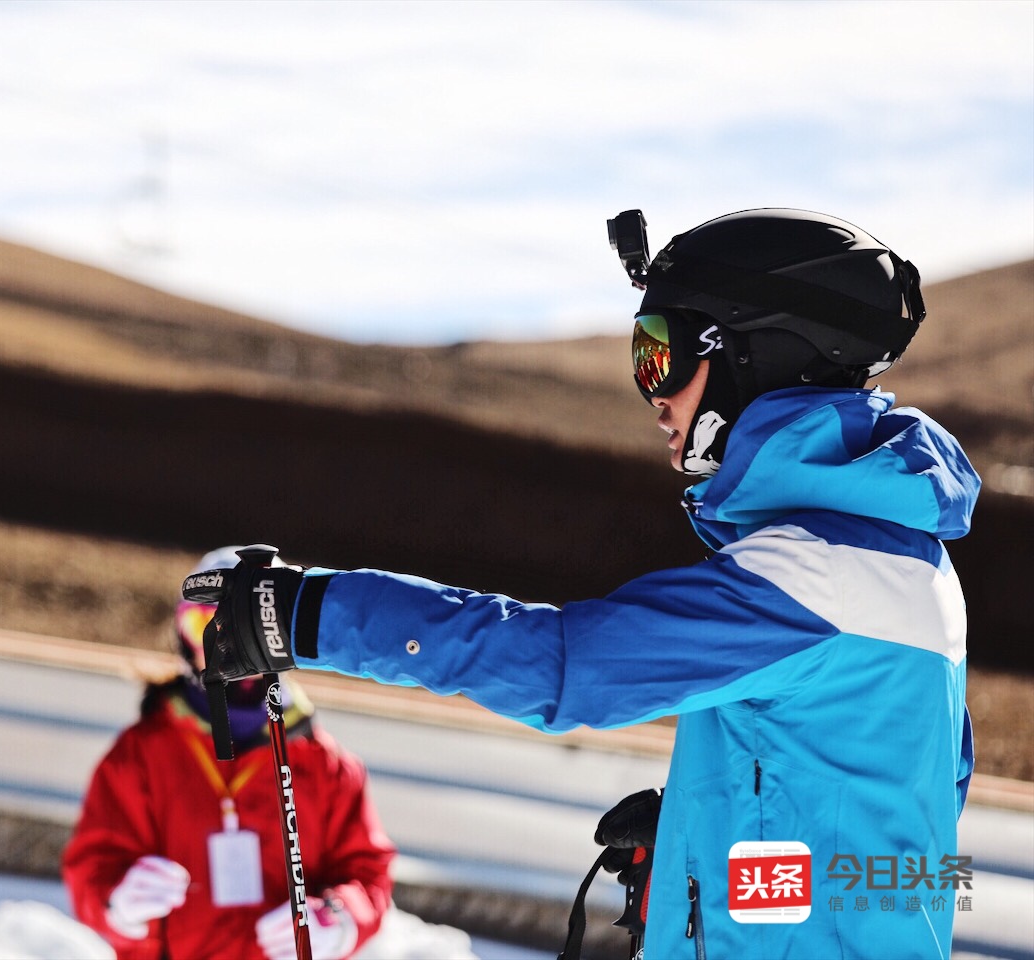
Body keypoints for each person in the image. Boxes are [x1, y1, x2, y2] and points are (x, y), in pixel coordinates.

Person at [184, 210, 980, 959]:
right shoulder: (910, 566)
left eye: (659, 354)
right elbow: (907, 828)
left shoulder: (817, 576)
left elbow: (565, 667)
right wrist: (709, 837)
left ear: (754, 358)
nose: (654, 394)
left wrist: (308, 614)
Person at [63, 546, 395, 960]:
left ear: (281, 639)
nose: (227, 645)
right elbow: (91, 871)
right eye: (205, 622)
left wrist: (338, 919)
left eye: (250, 624)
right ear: (182, 637)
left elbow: (368, 875)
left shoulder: (327, 767)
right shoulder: (139, 756)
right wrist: (119, 905)